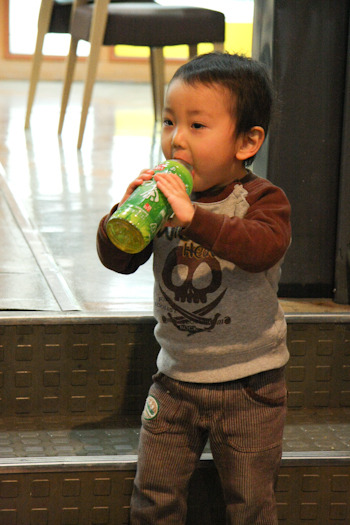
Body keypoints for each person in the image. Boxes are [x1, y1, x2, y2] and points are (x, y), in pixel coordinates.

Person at [97, 52, 291, 525]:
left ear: (247, 142)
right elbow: (119, 261)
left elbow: (262, 247)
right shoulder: (163, 202)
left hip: (250, 385)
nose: (176, 139)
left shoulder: (262, 200)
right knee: (154, 496)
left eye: (197, 126)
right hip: (175, 381)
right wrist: (124, 215)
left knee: (250, 504)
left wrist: (195, 218)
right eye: (168, 121)